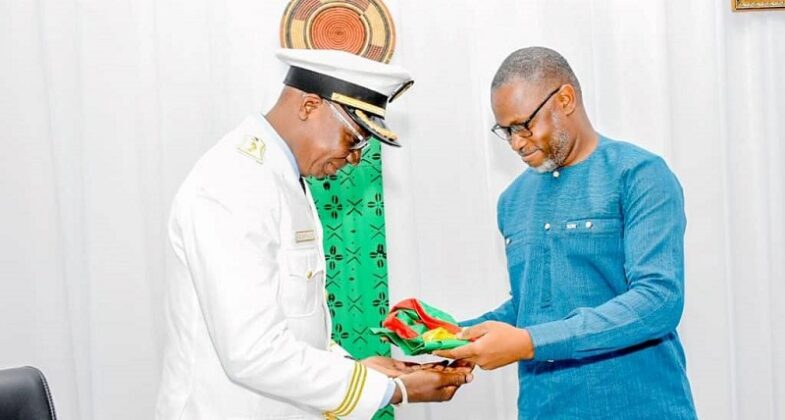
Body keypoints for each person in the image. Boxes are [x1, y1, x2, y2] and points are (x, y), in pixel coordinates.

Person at [156, 48, 472, 420]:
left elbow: (294, 322)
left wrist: (357, 371)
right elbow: (252, 350)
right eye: (354, 139)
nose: (355, 159)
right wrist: (391, 391)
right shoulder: (233, 183)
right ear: (309, 106)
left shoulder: (281, 177)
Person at [435, 47, 697, 419]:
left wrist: (529, 343)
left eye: (524, 125)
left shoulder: (639, 175)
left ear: (566, 99)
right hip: (543, 409)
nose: (516, 143)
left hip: (638, 406)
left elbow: (658, 301)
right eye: (506, 131)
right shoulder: (513, 200)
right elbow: (532, 304)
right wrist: (455, 335)